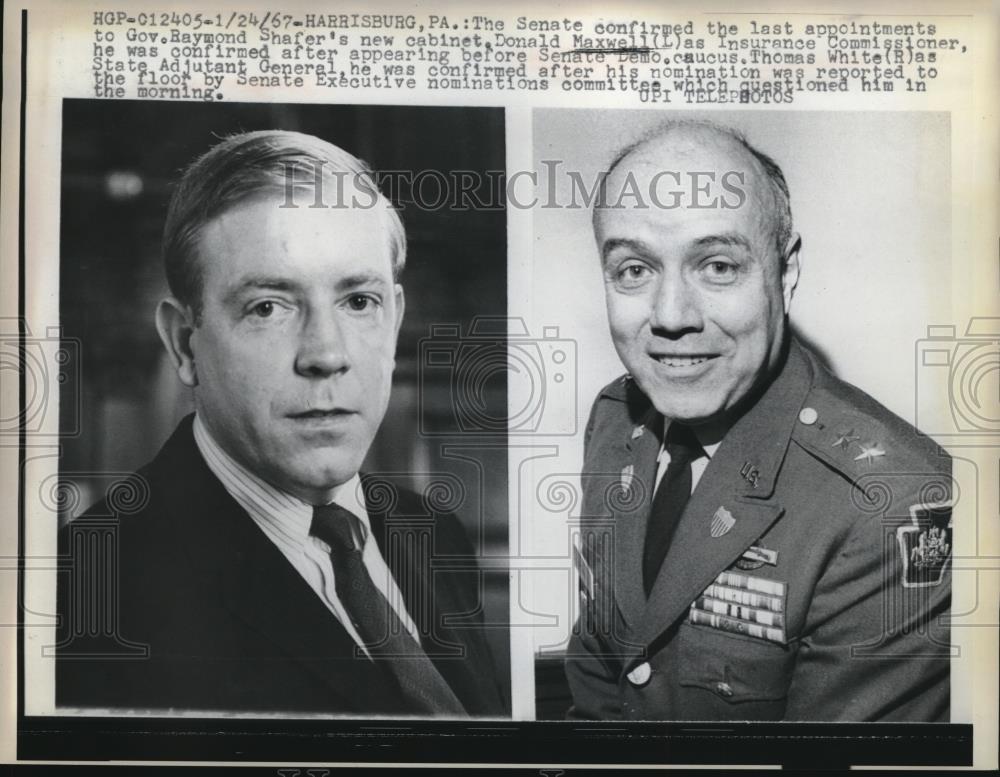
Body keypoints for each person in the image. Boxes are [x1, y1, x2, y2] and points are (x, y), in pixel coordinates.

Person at [55, 130, 505, 717]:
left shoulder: (433, 531)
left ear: (394, 321)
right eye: (268, 306)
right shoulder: (84, 589)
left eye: (358, 302)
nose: (326, 353)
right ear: (184, 343)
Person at [565, 120, 952, 721]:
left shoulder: (888, 501)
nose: (671, 317)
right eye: (634, 270)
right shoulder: (617, 423)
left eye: (717, 266)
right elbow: (600, 672)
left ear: (786, 271)